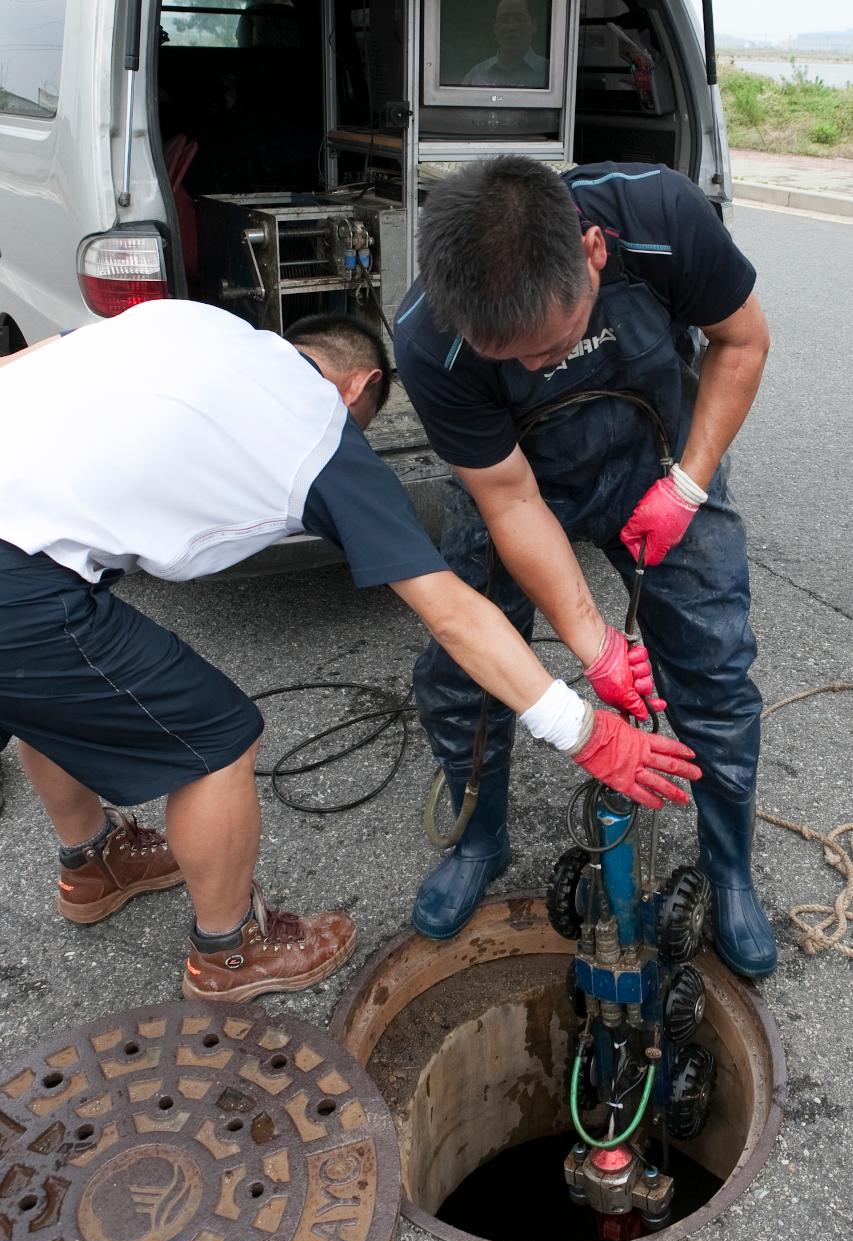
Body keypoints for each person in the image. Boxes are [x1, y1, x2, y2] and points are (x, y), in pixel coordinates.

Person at [0, 300, 698, 1002]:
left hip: (23, 525)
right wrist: (580, 730)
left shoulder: (184, 322)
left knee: (53, 698)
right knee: (215, 739)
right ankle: (229, 951)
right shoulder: (317, 429)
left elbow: (23, 366)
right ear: (358, 386)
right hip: (16, 576)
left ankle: (93, 863)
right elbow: (452, 612)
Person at [394, 156, 776, 979]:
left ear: (594, 252)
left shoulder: (660, 217)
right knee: (466, 676)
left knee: (713, 664)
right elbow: (507, 500)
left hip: (662, 451)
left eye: (552, 345)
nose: (535, 367)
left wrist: (686, 485)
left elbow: (741, 341)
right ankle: (479, 841)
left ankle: (728, 868)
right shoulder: (427, 338)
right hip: (521, 479)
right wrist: (592, 642)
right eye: (513, 359)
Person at [463, 0, 548, 88]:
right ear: (494, 27)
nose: (511, 27)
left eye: (519, 19)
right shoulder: (476, 76)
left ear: (534, 25)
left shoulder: (549, 73)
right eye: (504, 20)